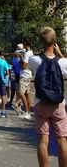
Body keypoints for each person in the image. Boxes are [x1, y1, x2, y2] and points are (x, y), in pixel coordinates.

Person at [28, 27, 67, 167]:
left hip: (41, 103)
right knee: (62, 141)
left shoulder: (34, 60)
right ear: (55, 42)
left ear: (41, 41)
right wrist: (60, 54)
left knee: (43, 141)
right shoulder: (62, 62)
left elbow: (30, 70)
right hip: (58, 104)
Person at [18, 37, 33, 121]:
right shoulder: (30, 52)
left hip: (24, 75)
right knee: (27, 94)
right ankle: (28, 112)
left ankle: (27, 112)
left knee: (21, 93)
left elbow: (24, 66)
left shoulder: (27, 54)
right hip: (28, 74)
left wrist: (20, 63)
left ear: (25, 43)